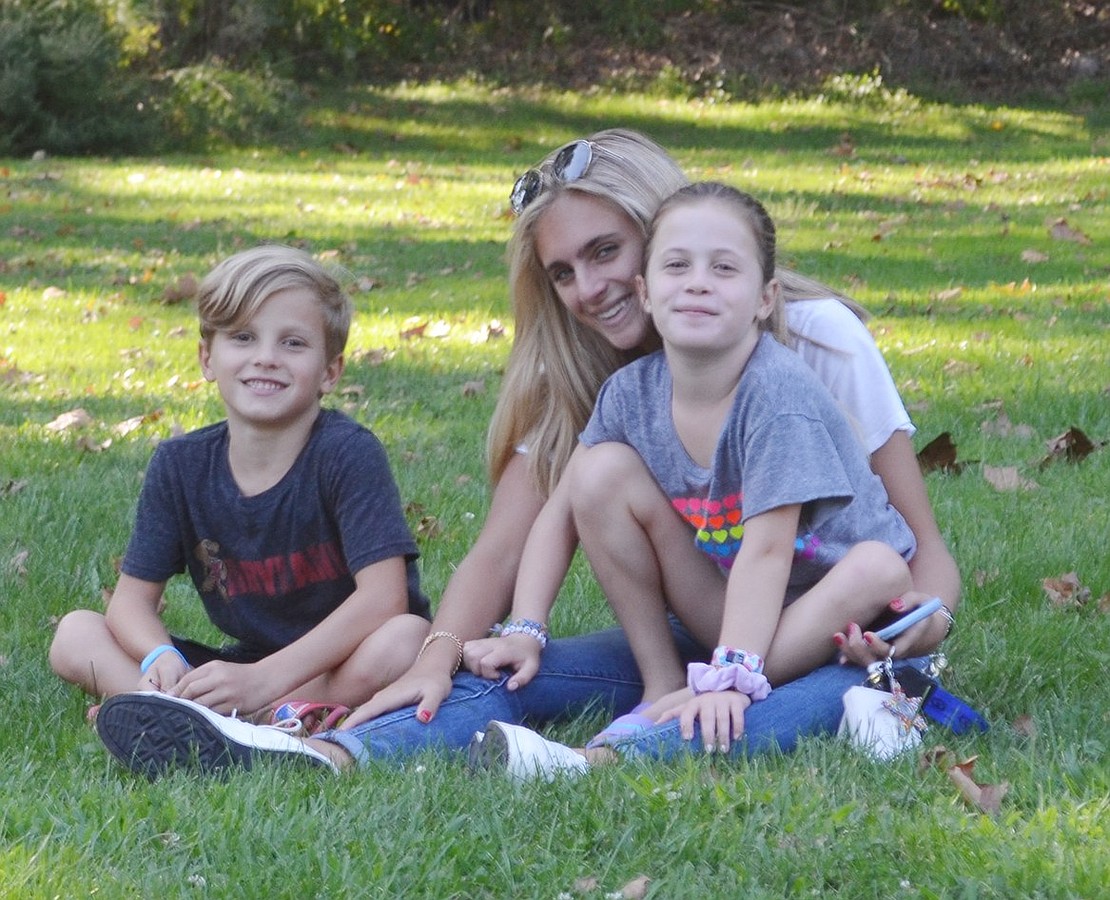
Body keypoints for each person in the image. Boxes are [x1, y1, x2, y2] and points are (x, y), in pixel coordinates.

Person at [92, 131, 959, 777]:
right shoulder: (608, 386)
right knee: (496, 676)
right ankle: (328, 754)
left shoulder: (813, 344)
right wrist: (452, 652)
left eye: (608, 252)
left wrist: (920, 626)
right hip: (707, 621)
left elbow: (917, 554)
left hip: (851, 622)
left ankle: (600, 764)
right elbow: (508, 547)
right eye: (563, 272)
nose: (590, 290)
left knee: (789, 696)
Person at [466, 181, 919, 777]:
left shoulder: (776, 394)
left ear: (765, 298)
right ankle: (662, 685)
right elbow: (562, 511)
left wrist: (732, 676)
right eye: (678, 265)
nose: (699, 281)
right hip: (732, 605)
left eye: (724, 268)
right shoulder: (630, 392)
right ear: (646, 293)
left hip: (843, 610)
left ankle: (716, 698)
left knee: (877, 564)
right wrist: (526, 628)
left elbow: (767, 547)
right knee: (600, 473)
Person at [50, 244, 431, 732]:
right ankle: (182, 707)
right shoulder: (180, 465)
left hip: (333, 663)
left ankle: (218, 717)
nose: (266, 358)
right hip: (237, 666)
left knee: (406, 638)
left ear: (330, 372)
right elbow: (129, 603)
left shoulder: (346, 454)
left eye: (293, 343)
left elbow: (384, 601)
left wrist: (263, 680)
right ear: (208, 358)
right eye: (244, 337)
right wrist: (158, 656)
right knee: (75, 633)